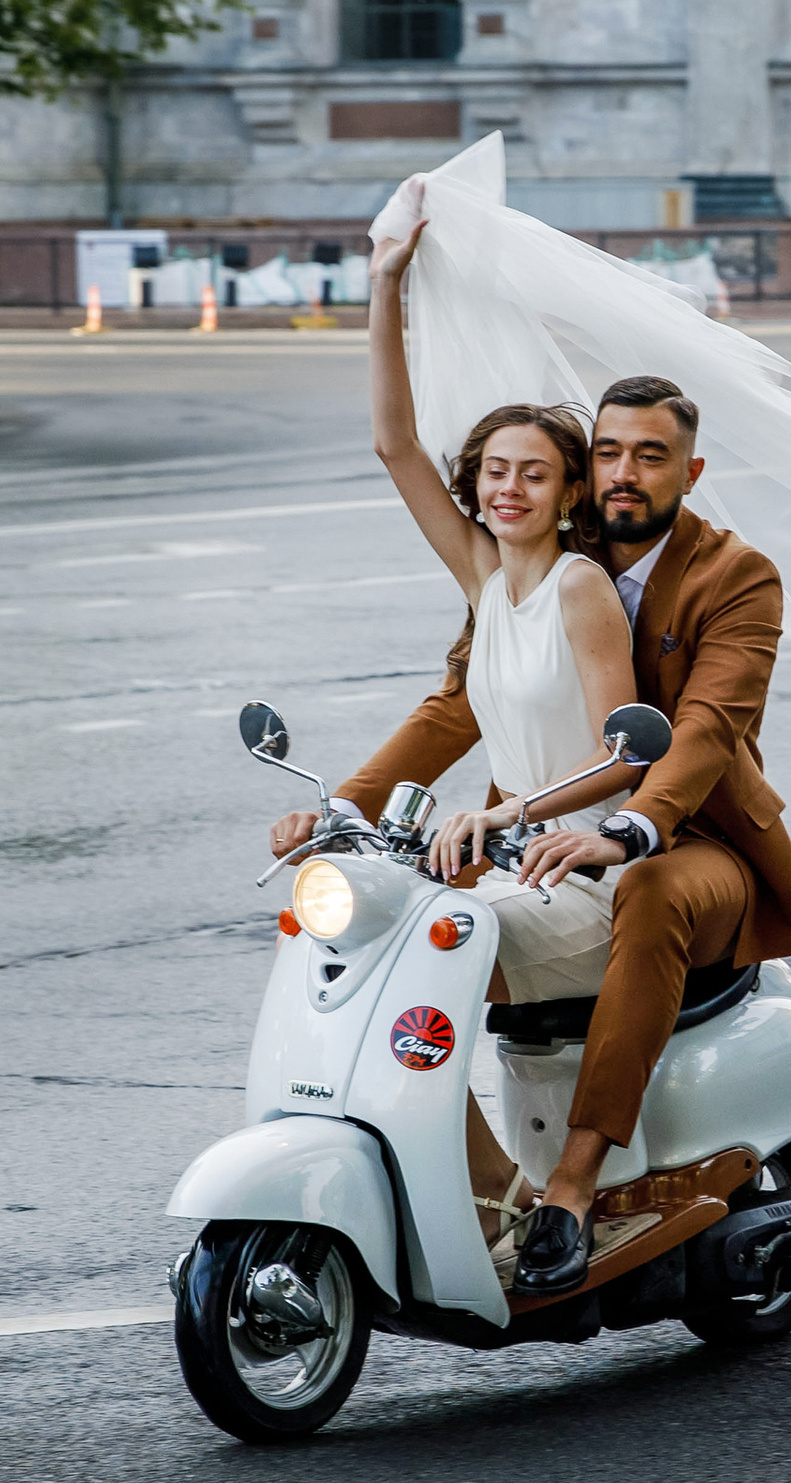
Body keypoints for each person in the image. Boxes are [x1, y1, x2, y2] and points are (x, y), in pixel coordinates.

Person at [338, 371, 791, 1301]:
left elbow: (702, 730)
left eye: (650, 456)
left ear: (691, 469)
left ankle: (568, 1187)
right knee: (388, 951)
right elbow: (459, 702)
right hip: (541, 844)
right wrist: (344, 808)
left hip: (695, 841)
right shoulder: (526, 556)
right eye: (609, 452)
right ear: (588, 469)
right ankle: (490, 1193)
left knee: (648, 892)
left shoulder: (732, 575)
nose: (624, 472)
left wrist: (629, 828)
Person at [272, 213, 635, 1006]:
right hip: (511, 859)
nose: (510, 488)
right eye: (496, 471)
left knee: (409, 975)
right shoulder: (484, 579)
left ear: (571, 493)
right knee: (363, 965)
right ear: (474, 483)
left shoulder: (579, 586)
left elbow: (623, 757)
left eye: (534, 475)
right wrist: (385, 284)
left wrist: (503, 811)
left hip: (584, 867)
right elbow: (395, 445)